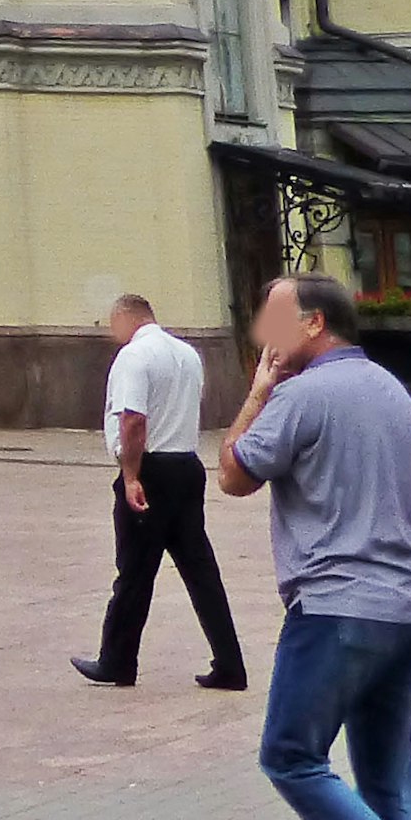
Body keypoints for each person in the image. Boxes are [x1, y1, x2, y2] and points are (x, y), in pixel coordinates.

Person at [216, 272, 411, 820]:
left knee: (290, 755)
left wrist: (257, 395)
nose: (263, 335)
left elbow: (233, 474)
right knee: (386, 782)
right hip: (409, 610)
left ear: (314, 323)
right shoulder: (391, 390)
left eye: (274, 320)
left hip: (336, 609)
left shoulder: (301, 395)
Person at [71, 292, 246, 690]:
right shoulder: (187, 354)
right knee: (200, 571)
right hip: (186, 464)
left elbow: (133, 420)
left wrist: (131, 476)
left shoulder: (133, 357)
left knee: (133, 572)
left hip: (151, 468)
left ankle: (117, 660)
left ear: (124, 319)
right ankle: (230, 663)